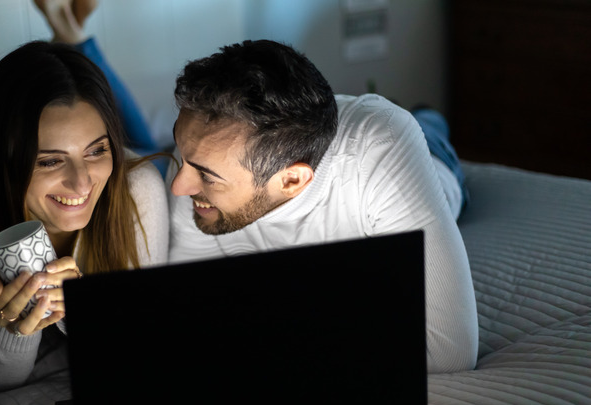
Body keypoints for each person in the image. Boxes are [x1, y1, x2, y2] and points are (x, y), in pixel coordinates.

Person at [165, 39, 478, 374]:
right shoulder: (199, 153)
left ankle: (427, 115)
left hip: (430, 159)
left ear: (291, 181)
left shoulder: (382, 149)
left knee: (429, 127)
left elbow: (451, 353)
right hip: (314, 136)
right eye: (182, 156)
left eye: (207, 176)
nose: (178, 186)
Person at [0, 0, 169, 393]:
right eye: (49, 161)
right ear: (2, 161)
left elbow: (140, 353)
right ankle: (68, 29)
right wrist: (13, 325)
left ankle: (70, 31)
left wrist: (82, 310)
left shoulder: (138, 187)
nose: (81, 184)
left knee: (146, 146)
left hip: (139, 173)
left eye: (97, 149)